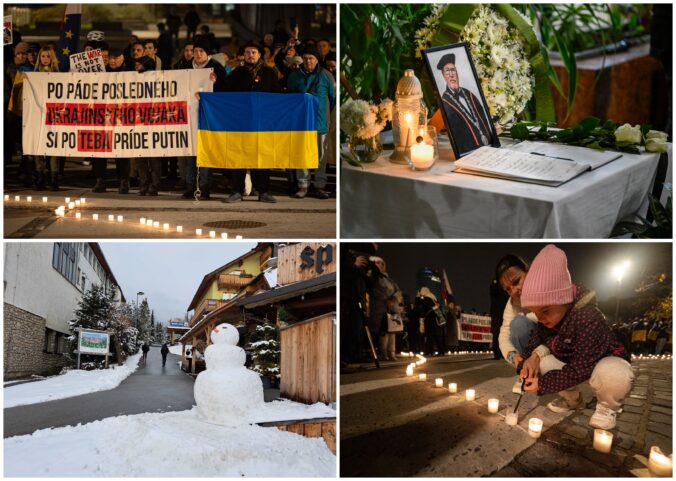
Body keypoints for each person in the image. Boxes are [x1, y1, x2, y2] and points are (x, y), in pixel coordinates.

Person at [519, 244, 633, 430]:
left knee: (614, 374)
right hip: (574, 363)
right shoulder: (546, 318)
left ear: (563, 299)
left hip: (602, 362)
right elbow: (534, 342)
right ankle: (573, 400)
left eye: (546, 311)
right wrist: (527, 361)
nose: (541, 319)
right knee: (545, 362)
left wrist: (541, 384)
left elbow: (581, 367)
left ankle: (607, 407)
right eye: (535, 313)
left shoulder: (587, 316)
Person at [223, 41, 280, 204]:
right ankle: (236, 191)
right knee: (238, 157)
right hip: (240, 124)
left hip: (262, 125)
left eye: (254, 52)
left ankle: (263, 192)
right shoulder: (236, 73)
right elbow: (226, 96)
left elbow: (276, 96)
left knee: (262, 158)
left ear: (260, 54)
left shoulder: (269, 73)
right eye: (247, 52)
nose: (250, 55)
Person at [287, 44, 335, 199]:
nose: (308, 61)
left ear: (317, 59)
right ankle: (303, 185)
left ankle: (320, 185)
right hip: (301, 124)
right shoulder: (294, 76)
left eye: (311, 58)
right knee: (302, 154)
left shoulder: (326, 75)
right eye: (306, 58)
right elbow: (290, 99)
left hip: (320, 123)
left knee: (321, 156)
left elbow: (333, 99)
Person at [183, 37, 227, 200]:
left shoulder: (216, 68)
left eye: (201, 51)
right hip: (189, 115)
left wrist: (216, 83)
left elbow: (224, 91)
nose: (198, 54)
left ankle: (204, 186)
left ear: (207, 53)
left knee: (205, 151)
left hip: (209, 116)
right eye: (195, 51)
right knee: (190, 152)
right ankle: (190, 186)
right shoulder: (186, 67)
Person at [495, 254, 548, 392]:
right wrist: (514, 356)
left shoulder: (548, 289)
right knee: (517, 324)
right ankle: (530, 374)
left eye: (516, 281)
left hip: (558, 345)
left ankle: (572, 397)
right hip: (538, 345)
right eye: (507, 289)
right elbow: (504, 333)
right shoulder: (512, 303)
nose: (514, 291)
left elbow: (560, 331)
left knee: (548, 364)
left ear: (528, 271)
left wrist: (538, 355)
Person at [436, 53, 493, 155]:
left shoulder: (469, 94)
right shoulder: (445, 102)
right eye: (447, 71)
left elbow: (483, 119)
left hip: (488, 149)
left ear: (457, 73)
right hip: (467, 153)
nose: (452, 74)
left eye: (453, 70)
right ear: (443, 76)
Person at [31, 47, 60, 191]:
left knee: (53, 148)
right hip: (37, 117)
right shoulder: (33, 75)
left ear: (52, 58)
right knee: (38, 148)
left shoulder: (58, 75)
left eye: (48, 56)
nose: (45, 59)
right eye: (42, 56)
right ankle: (40, 177)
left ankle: (54, 178)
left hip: (53, 118)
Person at [367, 256, 404, 361]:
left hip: (392, 308)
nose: (378, 265)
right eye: (376, 263)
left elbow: (398, 290)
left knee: (392, 330)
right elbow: (372, 290)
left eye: (380, 263)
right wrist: (386, 299)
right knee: (383, 331)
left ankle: (392, 352)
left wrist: (394, 299)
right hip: (379, 308)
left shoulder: (388, 278)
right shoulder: (371, 276)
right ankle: (384, 353)